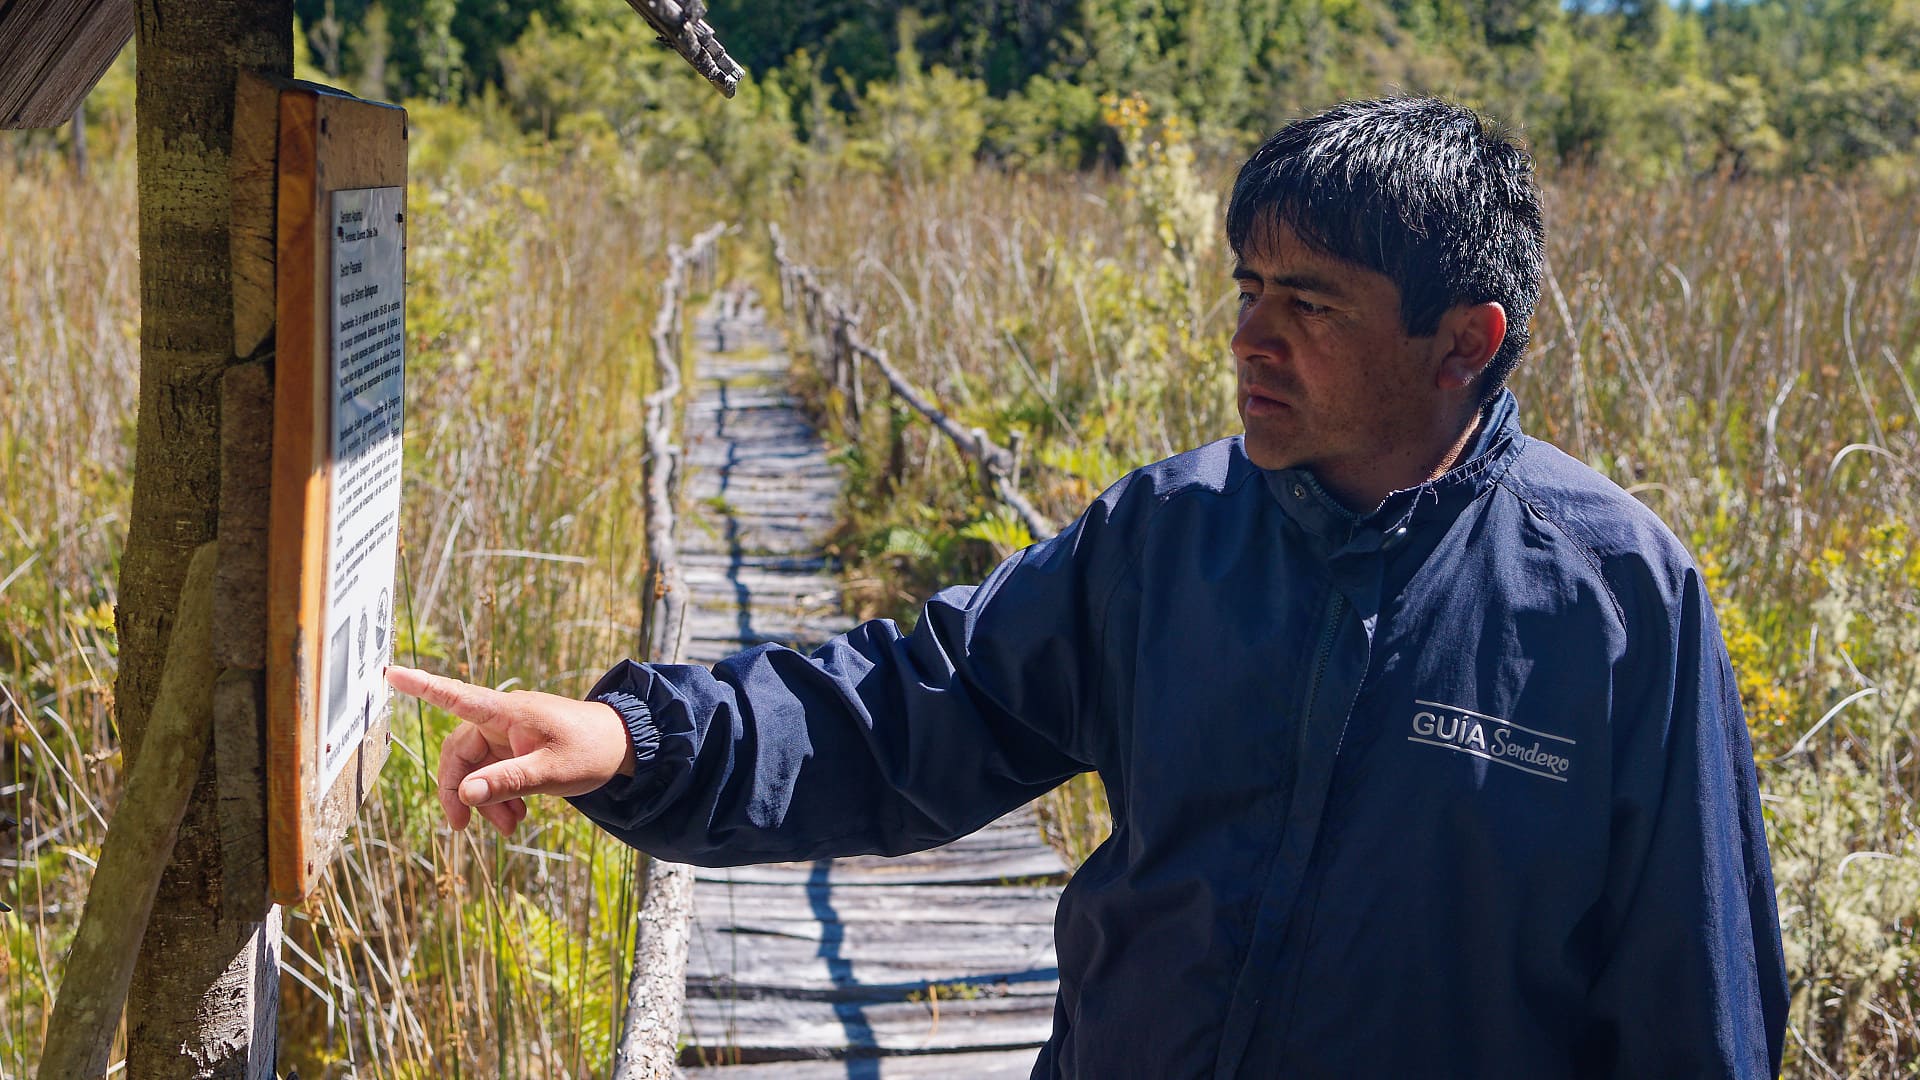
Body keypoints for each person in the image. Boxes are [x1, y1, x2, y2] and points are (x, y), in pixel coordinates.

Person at [388, 97, 1788, 1077]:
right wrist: (640, 739)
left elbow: (1695, 1005)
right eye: (1247, 287)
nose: (1250, 336)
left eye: (1310, 304)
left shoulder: (1615, 601)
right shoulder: (1173, 535)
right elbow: (912, 708)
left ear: (1463, 345)